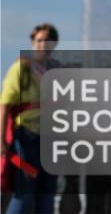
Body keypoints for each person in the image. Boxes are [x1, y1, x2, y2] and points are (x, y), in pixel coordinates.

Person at [1, 24, 59, 214]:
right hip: (26, 138)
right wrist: (1, 141)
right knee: (24, 194)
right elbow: (5, 104)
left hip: (49, 140)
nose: (42, 45)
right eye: (38, 40)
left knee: (47, 196)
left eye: (47, 41)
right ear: (33, 43)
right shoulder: (22, 67)